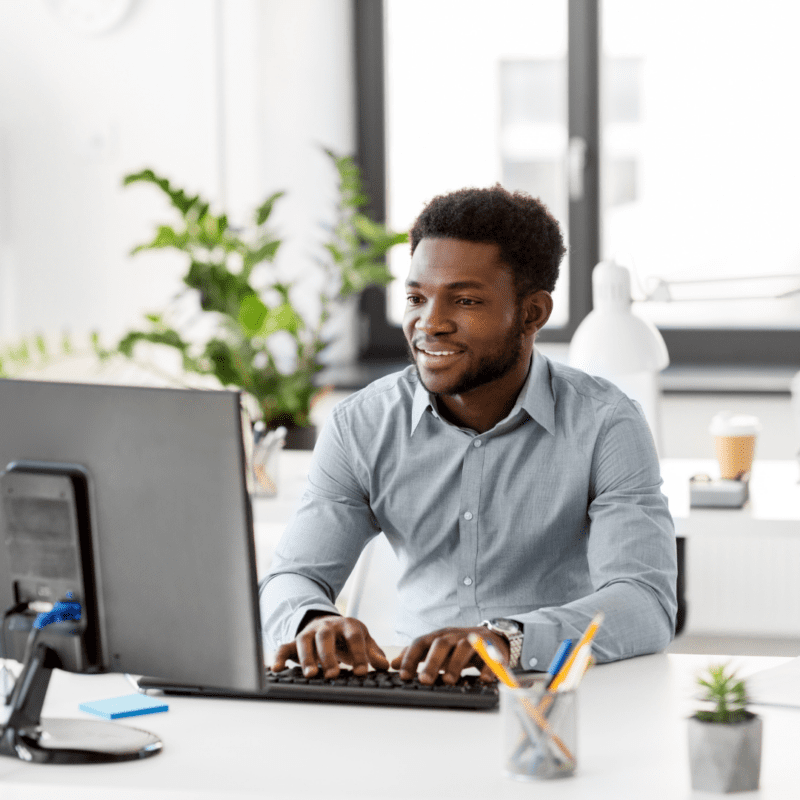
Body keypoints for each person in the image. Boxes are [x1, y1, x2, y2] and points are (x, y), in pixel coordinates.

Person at [260, 185, 677, 685]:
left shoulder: (606, 424)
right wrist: (312, 620)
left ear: (532, 314)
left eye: (465, 300)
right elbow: (292, 576)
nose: (429, 323)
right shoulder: (362, 424)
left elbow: (644, 602)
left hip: (552, 692)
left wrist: (507, 639)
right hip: (410, 692)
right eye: (416, 297)